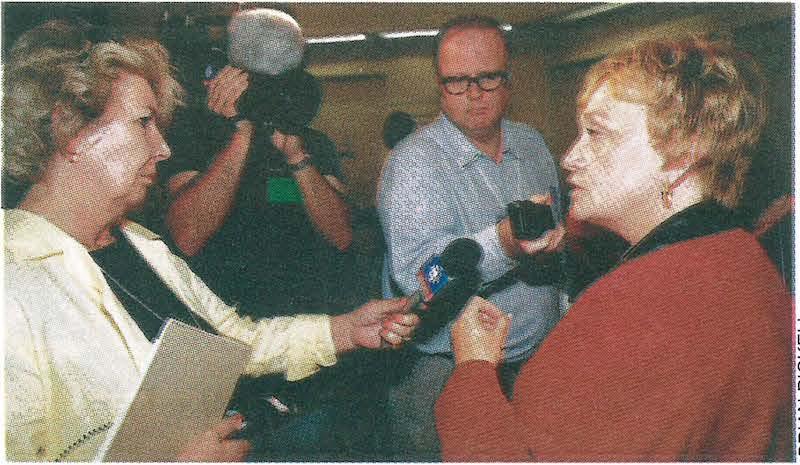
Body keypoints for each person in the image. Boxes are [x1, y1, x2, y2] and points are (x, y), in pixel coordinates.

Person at [3, 20, 418, 462]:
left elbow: (234, 341)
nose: (162, 149)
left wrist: (346, 330)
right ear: (69, 130)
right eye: (143, 123)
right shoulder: (13, 282)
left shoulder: (139, 245)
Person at [435, 37, 792, 461]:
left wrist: (473, 372)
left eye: (597, 134)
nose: (570, 157)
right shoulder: (743, 259)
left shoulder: (633, 311)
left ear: (685, 152)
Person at [377, 15, 565, 459]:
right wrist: (502, 243)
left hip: (537, 358)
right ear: (439, 87)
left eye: (488, 78)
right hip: (445, 371)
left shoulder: (533, 145)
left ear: (509, 80)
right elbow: (421, 280)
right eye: (458, 82)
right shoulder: (412, 166)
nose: (475, 94)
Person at [163, 8, 352, 316]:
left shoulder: (311, 144)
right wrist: (241, 135)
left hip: (300, 317)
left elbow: (342, 236)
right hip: (221, 317)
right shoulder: (194, 135)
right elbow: (187, 236)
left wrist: (297, 159)